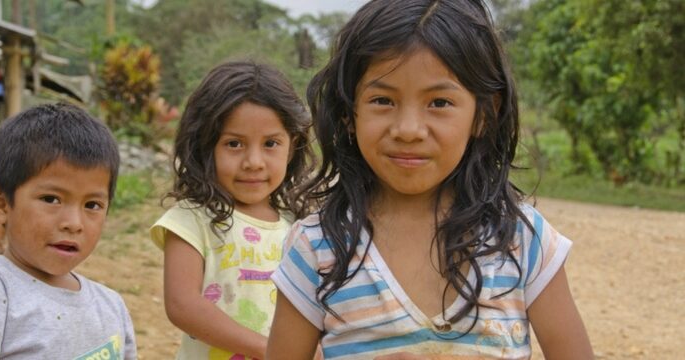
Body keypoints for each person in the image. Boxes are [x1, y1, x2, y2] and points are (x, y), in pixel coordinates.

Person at [267, 0, 594, 359]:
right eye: (382, 100)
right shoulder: (318, 249)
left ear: (485, 113)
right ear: (348, 113)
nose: (408, 130)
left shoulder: (521, 241)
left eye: (438, 102)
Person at [0, 103, 137, 359]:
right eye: (51, 199)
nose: (74, 223)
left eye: (92, 205)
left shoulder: (111, 306)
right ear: (0, 204)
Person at [150, 60, 315, 359]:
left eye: (271, 143)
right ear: (205, 147)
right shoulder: (191, 219)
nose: (254, 161)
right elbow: (182, 306)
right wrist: (271, 351)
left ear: (292, 147)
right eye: (235, 144)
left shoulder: (300, 226)